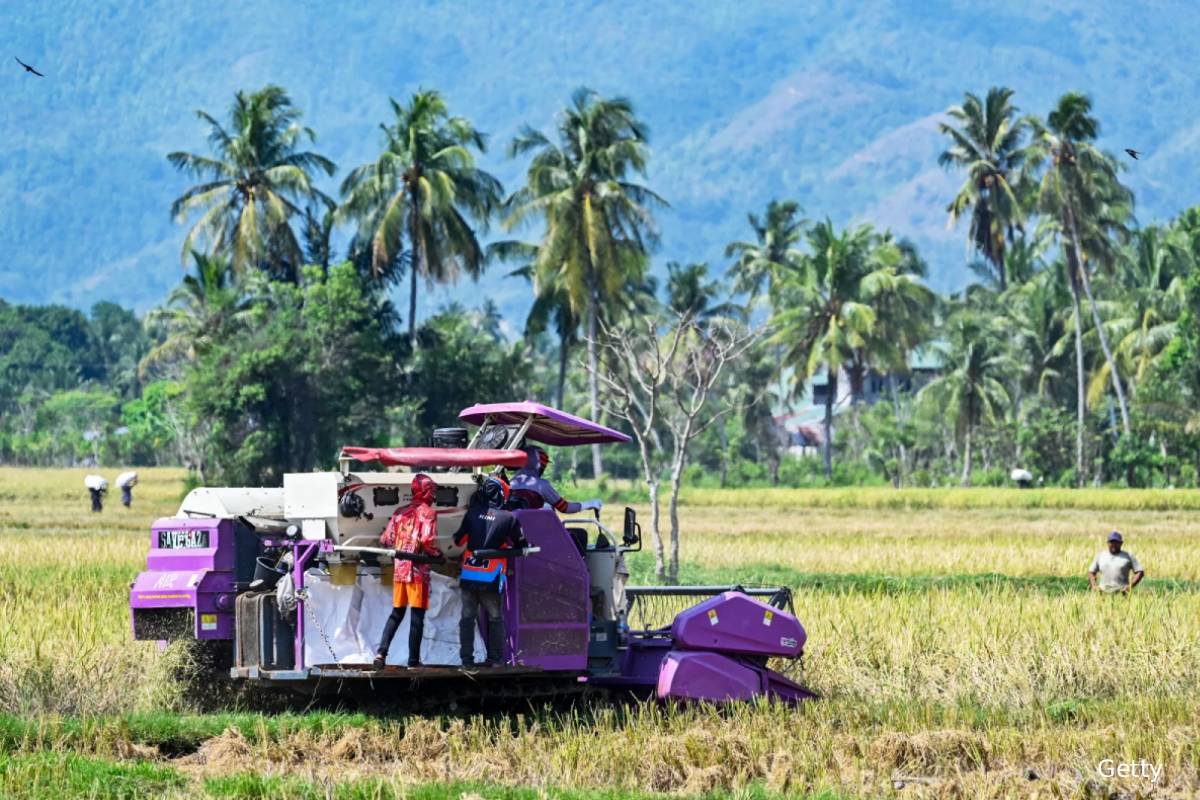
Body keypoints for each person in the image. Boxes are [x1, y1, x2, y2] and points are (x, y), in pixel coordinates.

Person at [454, 475, 528, 667]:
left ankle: (466, 661)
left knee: (467, 617)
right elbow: (522, 545)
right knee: (495, 617)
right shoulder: (509, 518)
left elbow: (458, 541)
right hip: (491, 576)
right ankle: (495, 660)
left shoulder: (472, 513)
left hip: (469, 573)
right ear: (502, 494)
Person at [374, 474, 443, 668]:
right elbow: (428, 541)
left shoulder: (399, 512)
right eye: (432, 491)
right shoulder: (428, 513)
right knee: (417, 616)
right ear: (427, 491)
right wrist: (437, 555)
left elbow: (385, 539)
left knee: (396, 613)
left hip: (399, 570)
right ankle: (413, 661)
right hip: (418, 572)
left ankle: (381, 653)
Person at [508, 446, 602, 515]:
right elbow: (565, 507)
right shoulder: (542, 485)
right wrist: (588, 504)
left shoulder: (510, 482)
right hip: (535, 532)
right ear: (539, 465)